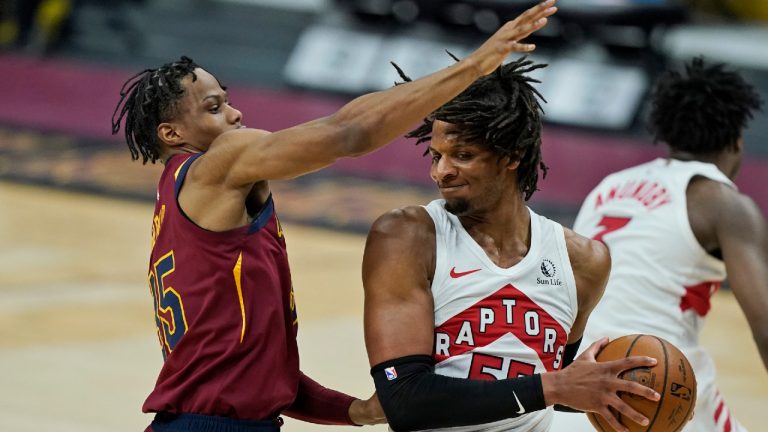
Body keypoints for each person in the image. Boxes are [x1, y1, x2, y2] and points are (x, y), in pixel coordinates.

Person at [109, 1, 561, 431]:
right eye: (213, 108)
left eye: (226, 99)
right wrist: (476, 66)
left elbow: (253, 372)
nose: (234, 113)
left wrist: (356, 411)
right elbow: (348, 132)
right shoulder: (218, 164)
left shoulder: (186, 200)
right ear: (172, 133)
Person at [361, 56, 662, 432]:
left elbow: (555, 389)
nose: (441, 171)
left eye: (463, 156)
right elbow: (403, 400)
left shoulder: (582, 261)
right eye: (437, 155)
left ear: (512, 156)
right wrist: (554, 386)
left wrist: (613, 388)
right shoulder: (407, 236)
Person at [550, 57, 767, 432]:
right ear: (736, 141)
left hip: (577, 386)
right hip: (657, 384)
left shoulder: (609, 186)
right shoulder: (723, 203)